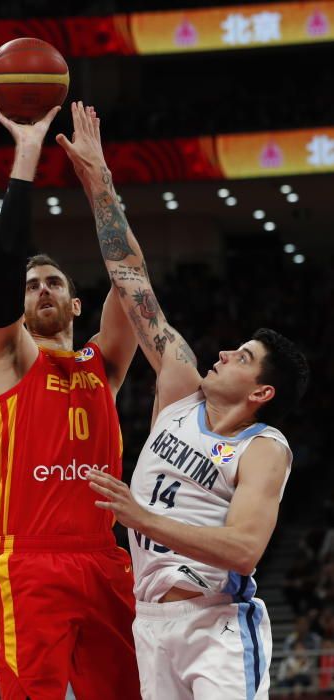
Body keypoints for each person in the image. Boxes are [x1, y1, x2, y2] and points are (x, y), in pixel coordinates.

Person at [57, 101, 309, 700]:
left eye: (242, 358)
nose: (224, 354)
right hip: (151, 623)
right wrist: (101, 181)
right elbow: (130, 277)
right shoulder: (177, 387)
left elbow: (246, 550)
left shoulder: (264, 446)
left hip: (216, 622)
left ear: (261, 393)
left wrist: (142, 518)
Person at [0, 104, 141, 699]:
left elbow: (130, 275)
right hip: (31, 566)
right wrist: (28, 151)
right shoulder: (10, 359)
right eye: (31, 286)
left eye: (53, 283)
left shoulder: (107, 365)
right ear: (19, 310)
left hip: (104, 560)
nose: (41, 289)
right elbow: (3, 267)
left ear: (77, 305)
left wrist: (100, 177)